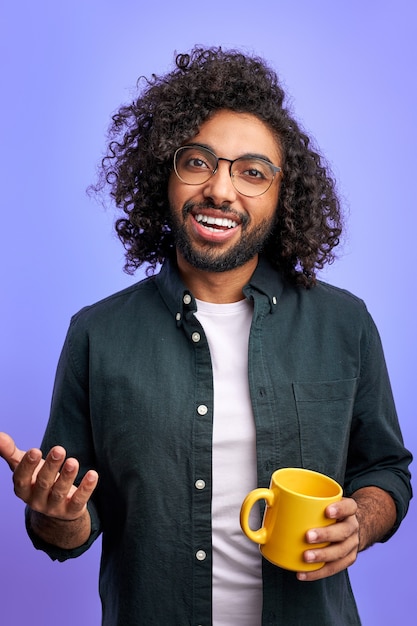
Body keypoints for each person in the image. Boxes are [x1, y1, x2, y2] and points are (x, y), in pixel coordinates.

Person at [0, 46, 412, 626]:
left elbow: (387, 470)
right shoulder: (97, 334)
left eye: (251, 172)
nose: (221, 190)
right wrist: (55, 513)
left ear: (281, 196)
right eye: (198, 161)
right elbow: (69, 525)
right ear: (163, 177)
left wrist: (362, 522)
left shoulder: (344, 325)